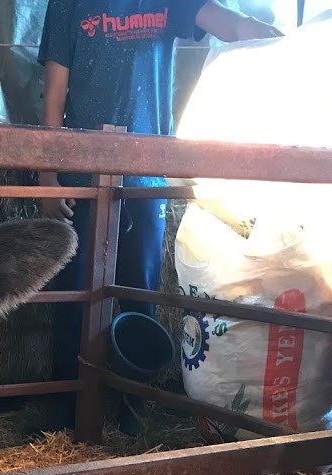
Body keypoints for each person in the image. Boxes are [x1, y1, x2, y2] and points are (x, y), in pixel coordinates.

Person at [38, 0, 282, 431]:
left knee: (141, 296)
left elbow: (230, 23)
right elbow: (55, 93)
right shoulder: (68, 5)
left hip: (145, 178)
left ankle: (135, 406)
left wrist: (295, 45)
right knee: (74, 295)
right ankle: (62, 406)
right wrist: (47, 177)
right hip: (81, 173)